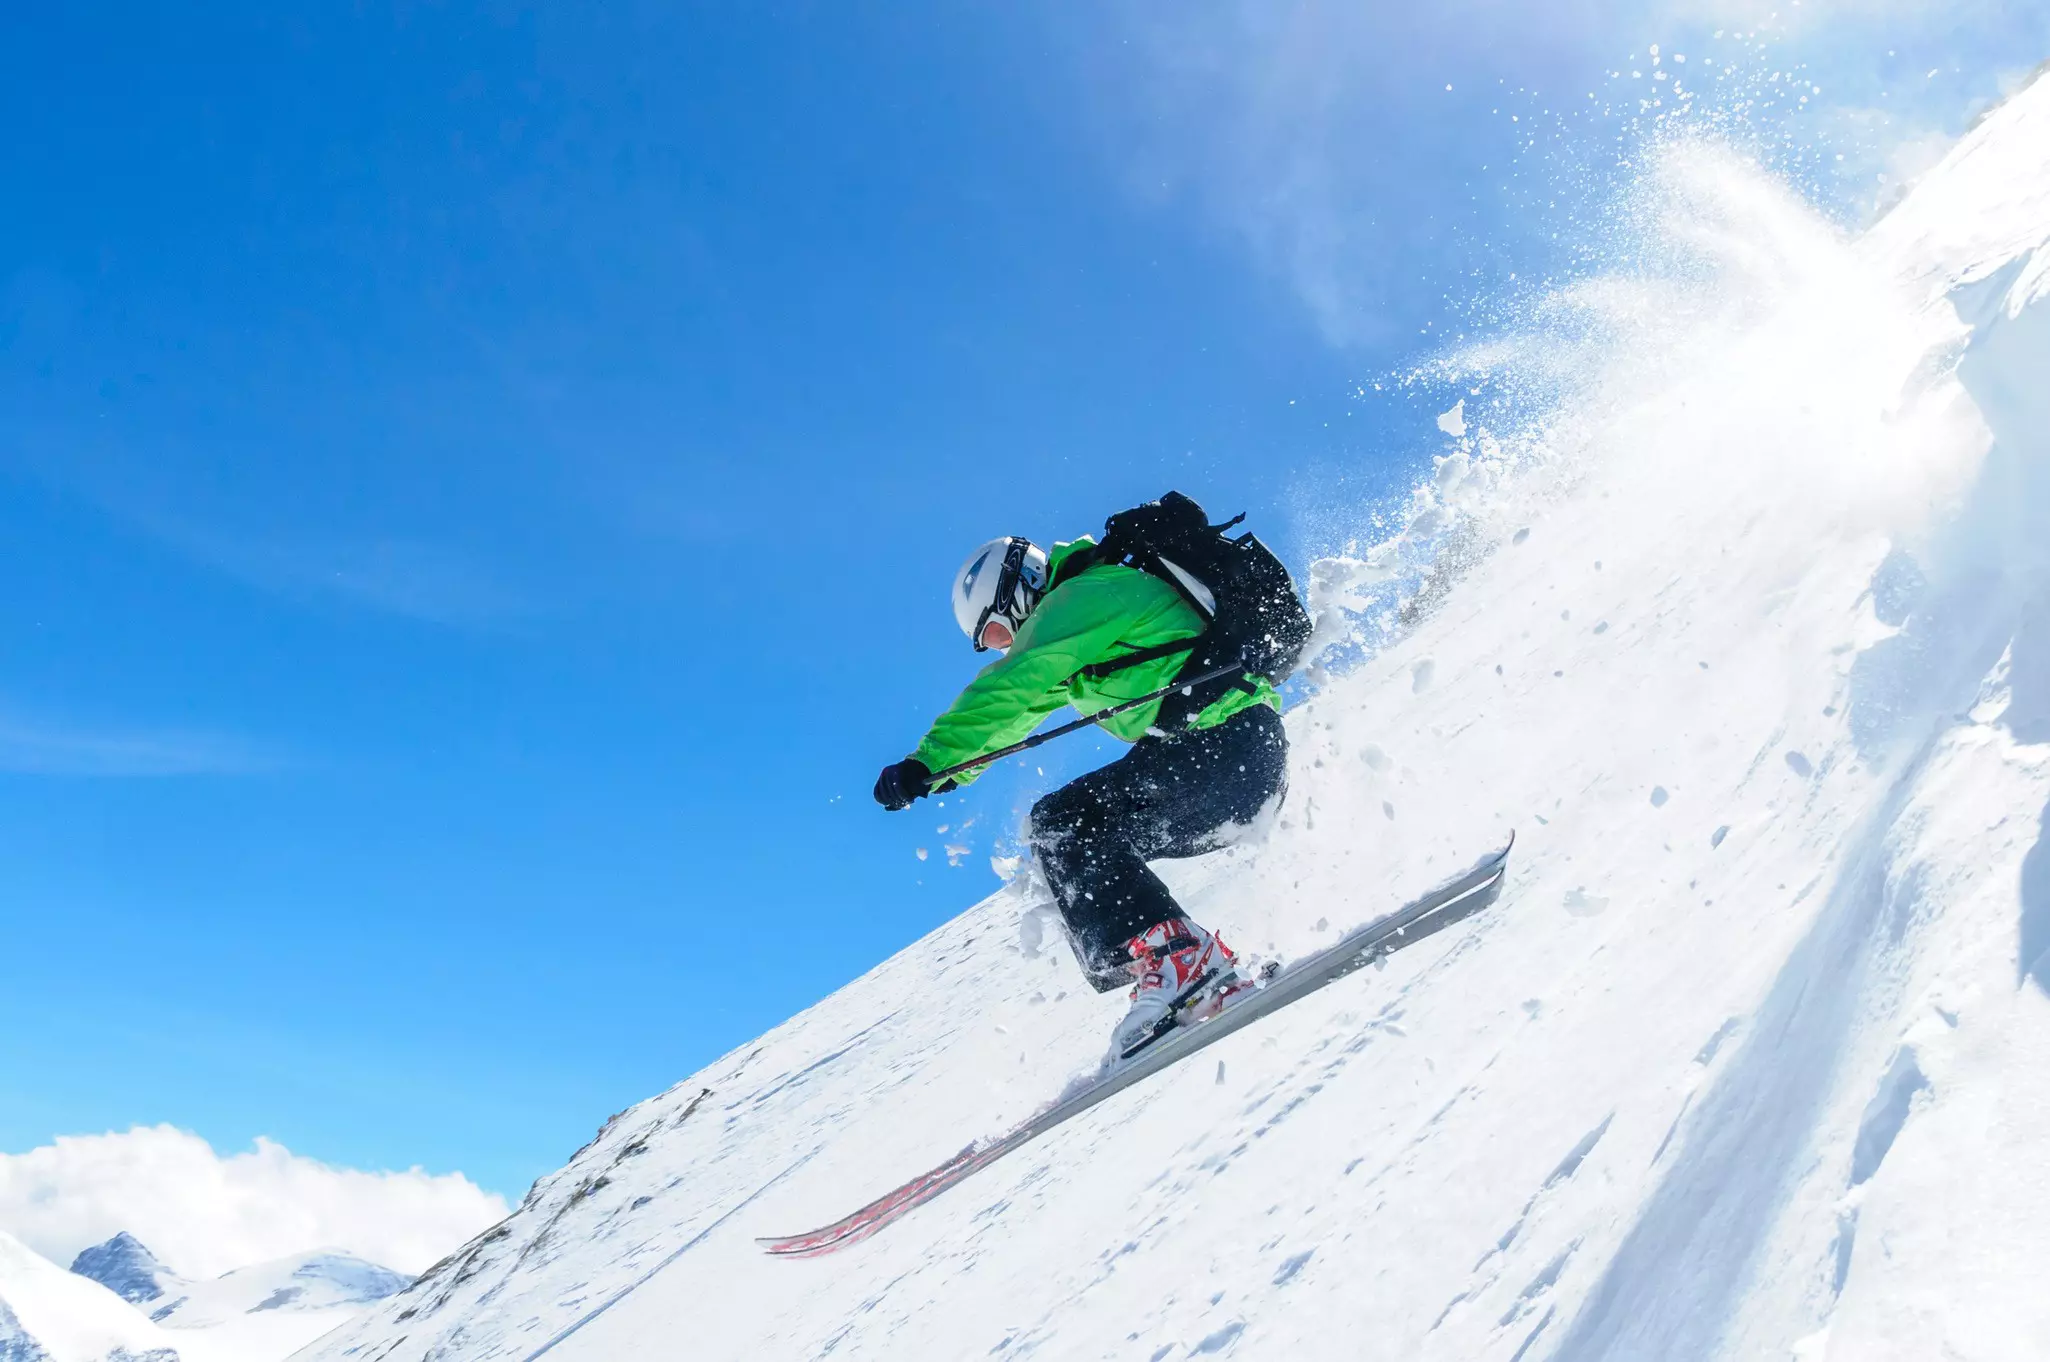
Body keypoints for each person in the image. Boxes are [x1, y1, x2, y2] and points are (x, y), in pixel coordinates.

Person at [873, 503, 1295, 1061]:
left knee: (1065, 822)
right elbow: (1018, 713)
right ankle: (1182, 968)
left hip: (1228, 747)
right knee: (1073, 836)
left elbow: (1012, 685)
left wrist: (926, 760)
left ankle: (1183, 961)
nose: (1002, 645)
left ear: (1020, 591)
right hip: (1234, 767)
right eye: (992, 641)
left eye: (997, 629)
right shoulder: (1078, 640)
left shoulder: (1089, 596)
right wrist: (949, 771)